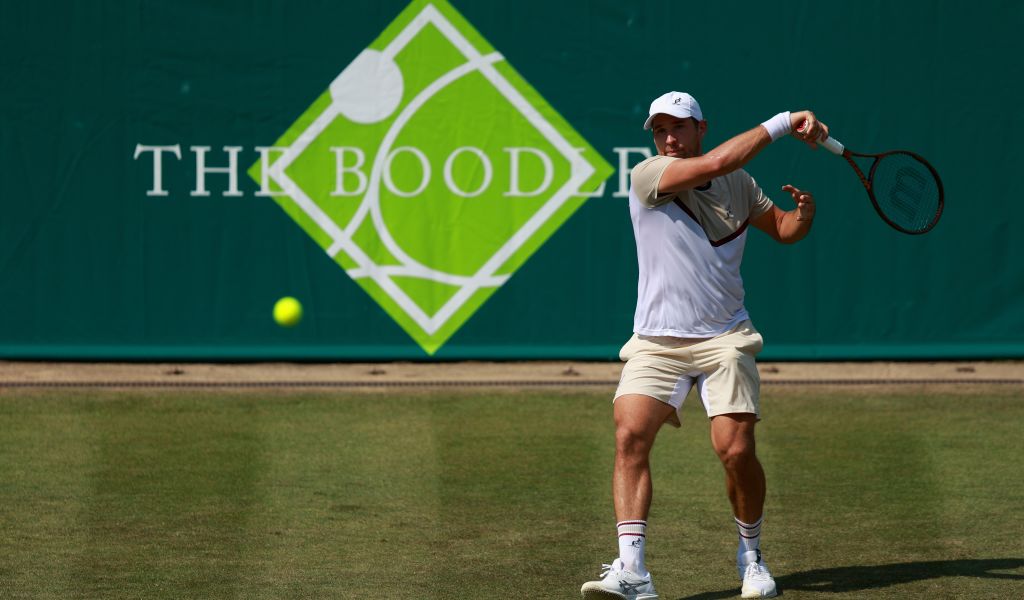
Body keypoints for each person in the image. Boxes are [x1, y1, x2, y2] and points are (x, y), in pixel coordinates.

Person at [580, 92, 828, 600]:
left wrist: (802, 215)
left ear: (701, 128)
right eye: (659, 130)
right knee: (630, 435)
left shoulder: (739, 185)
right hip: (656, 342)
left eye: (679, 128)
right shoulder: (650, 175)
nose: (669, 138)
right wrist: (783, 121)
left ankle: (752, 558)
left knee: (735, 452)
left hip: (724, 339)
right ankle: (633, 572)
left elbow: (780, 229)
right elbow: (717, 162)